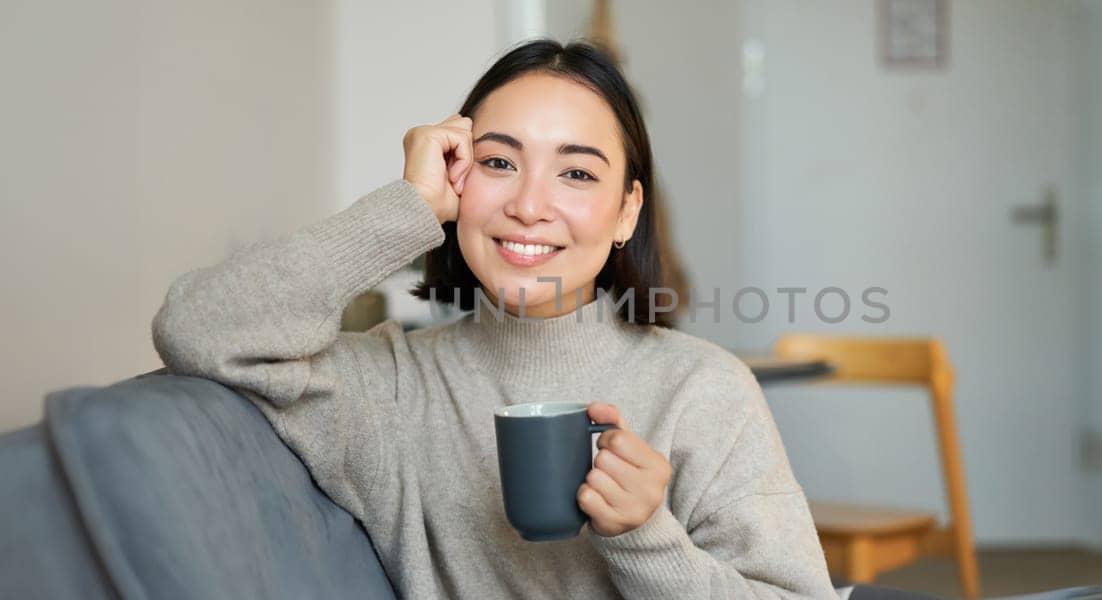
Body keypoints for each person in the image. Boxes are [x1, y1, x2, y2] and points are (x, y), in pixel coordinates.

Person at [152, 39, 836, 599]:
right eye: (499, 163)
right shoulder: (388, 388)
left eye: (576, 174)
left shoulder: (705, 390)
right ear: (455, 181)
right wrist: (406, 208)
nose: (530, 205)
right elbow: (200, 327)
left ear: (627, 211)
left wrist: (644, 535)